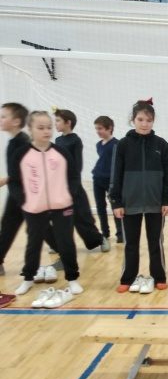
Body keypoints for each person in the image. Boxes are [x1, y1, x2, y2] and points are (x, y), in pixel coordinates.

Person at [8, 111, 83, 301]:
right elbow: (14, 181)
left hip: (62, 205)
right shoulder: (21, 154)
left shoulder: (61, 152)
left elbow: (74, 176)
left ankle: (72, 278)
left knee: (66, 242)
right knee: (34, 242)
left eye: (49, 127)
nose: (46, 131)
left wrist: (70, 194)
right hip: (34, 207)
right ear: (30, 129)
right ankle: (28, 278)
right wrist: (23, 200)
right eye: (41, 128)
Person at [110, 99, 168, 294]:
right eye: (140, 119)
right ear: (133, 120)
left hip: (156, 203)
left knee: (156, 242)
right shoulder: (123, 145)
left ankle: (159, 277)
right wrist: (116, 202)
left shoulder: (162, 145)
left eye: (149, 120)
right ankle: (128, 278)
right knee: (131, 244)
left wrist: (167, 200)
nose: (144, 124)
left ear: (153, 121)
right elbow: (116, 175)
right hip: (129, 203)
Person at [54, 109, 109, 252]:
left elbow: (77, 166)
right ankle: (57, 243)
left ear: (68, 123)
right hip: (59, 186)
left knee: (82, 218)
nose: (55, 124)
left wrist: (72, 187)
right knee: (60, 218)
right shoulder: (57, 141)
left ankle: (100, 239)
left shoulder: (75, 140)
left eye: (58, 121)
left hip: (73, 186)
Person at [0, 102, 30, 278]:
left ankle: (65, 256)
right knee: (8, 226)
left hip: (25, 195)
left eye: (4, 116)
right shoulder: (15, 141)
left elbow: (24, 172)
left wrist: (6, 179)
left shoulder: (22, 142)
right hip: (16, 195)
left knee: (40, 229)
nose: (0, 119)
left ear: (16, 121)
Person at [92, 116, 122, 243]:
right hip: (97, 179)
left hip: (111, 181)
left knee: (116, 206)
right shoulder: (98, 144)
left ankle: (120, 233)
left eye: (100, 128)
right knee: (100, 207)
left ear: (109, 128)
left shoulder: (117, 144)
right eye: (96, 129)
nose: (98, 131)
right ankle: (105, 232)